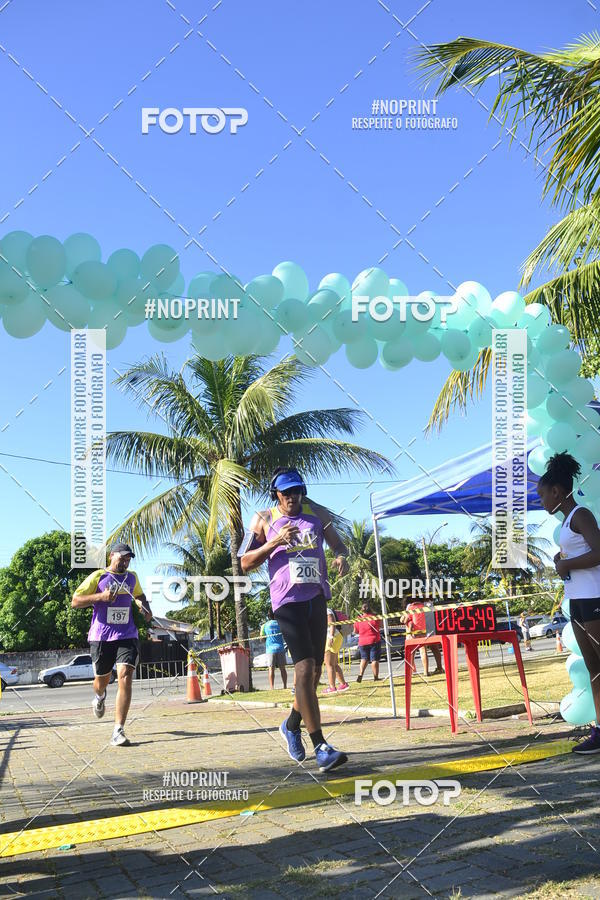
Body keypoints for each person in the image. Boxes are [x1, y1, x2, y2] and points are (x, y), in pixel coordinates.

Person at [240, 467, 350, 772]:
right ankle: (321, 747)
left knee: (313, 674)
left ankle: (291, 725)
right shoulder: (263, 518)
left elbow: (339, 544)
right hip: (286, 601)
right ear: (276, 493)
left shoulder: (318, 512)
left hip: (316, 598)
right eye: (286, 492)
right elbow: (245, 562)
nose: (293, 497)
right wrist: (274, 542)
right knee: (303, 669)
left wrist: (341, 556)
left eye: (297, 491)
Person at [537, 452, 600, 754]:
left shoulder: (581, 515)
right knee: (595, 671)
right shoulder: (566, 524)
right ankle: (599, 730)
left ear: (557, 492)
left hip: (595, 600)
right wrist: (562, 561)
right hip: (577, 603)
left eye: (542, 496)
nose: (541, 502)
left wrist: (567, 564)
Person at [72, 542, 152, 747]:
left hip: (127, 634)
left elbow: (140, 596)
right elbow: (76, 600)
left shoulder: (132, 577)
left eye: (128, 558)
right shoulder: (99, 576)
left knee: (125, 675)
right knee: (102, 680)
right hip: (102, 636)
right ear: (111, 556)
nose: (125, 561)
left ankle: (118, 730)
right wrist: (101, 597)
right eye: (122, 557)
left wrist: (145, 608)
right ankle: (99, 697)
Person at [401, 599, 444, 676]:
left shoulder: (411, 607)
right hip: (427, 630)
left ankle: (411, 671)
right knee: (427, 650)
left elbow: (405, 620)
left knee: (412, 651)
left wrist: (406, 620)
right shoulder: (425, 606)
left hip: (416, 632)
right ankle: (427, 671)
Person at [323, 608, 349, 694]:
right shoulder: (325, 609)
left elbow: (332, 624)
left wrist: (330, 637)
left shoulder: (326, 610)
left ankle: (332, 687)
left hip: (332, 637)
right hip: (336, 636)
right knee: (334, 664)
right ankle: (343, 684)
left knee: (329, 664)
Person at [354, 601, 382, 682]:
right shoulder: (374, 617)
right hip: (374, 640)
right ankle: (376, 677)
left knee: (364, 659)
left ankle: (360, 674)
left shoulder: (358, 619)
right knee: (374, 659)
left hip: (362, 641)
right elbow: (381, 626)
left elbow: (355, 631)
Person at [260, 610, 288, 690]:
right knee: (282, 669)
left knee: (271, 669)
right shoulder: (280, 623)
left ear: (268, 616)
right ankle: (285, 686)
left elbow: (262, 639)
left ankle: (272, 687)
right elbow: (285, 634)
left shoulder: (264, 625)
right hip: (280, 648)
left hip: (270, 650)